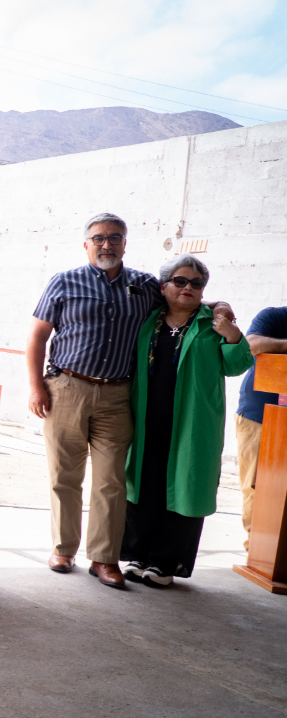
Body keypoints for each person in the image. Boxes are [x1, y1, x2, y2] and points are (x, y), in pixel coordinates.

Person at [27, 212, 233, 589]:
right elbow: (38, 336)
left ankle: (104, 558)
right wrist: (36, 387)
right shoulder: (63, 281)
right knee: (64, 476)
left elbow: (183, 295)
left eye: (115, 238)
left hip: (117, 395)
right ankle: (63, 548)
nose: (107, 244)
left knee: (112, 480)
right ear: (86, 244)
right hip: (67, 388)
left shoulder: (144, 285)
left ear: (125, 244)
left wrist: (220, 308)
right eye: (99, 238)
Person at [121, 255, 251, 586]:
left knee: (184, 490)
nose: (187, 288)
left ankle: (165, 563)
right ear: (164, 286)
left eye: (196, 283)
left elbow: (237, 366)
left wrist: (233, 337)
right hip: (147, 420)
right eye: (179, 281)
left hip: (193, 424)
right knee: (145, 486)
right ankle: (138, 555)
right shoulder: (148, 320)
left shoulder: (213, 324)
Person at [234, 305, 287, 550]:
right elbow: (251, 344)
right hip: (258, 415)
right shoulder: (274, 316)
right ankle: (257, 551)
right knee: (256, 486)